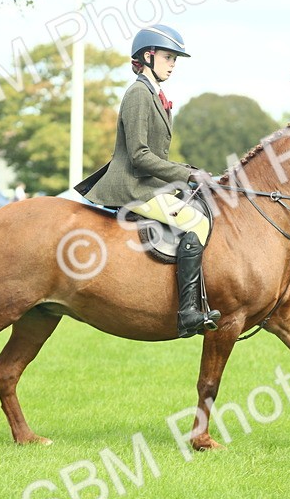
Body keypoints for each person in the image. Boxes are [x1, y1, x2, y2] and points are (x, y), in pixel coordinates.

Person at [81, 24, 219, 338]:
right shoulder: (138, 94)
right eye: (169, 57)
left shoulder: (154, 94)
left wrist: (192, 171)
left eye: (175, 59)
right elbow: (140, 155)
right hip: (133, 185)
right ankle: (187, 313)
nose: (173, 64)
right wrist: (185, 175)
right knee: (196, 223)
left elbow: (157, 155)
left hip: (149, 183)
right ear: (148, 56)